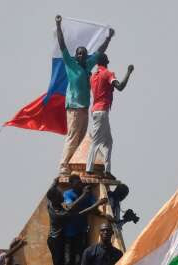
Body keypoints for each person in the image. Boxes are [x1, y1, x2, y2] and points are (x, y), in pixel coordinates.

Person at [55, 14, 115, 175]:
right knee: (73, 136)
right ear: (76, 56)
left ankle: (74, 165)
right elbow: (62, 46)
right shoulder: (71, 65)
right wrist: (59, 26)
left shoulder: (87, 65)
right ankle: (64, 165)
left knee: (81, 138)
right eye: (79, 53)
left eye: (83, 53)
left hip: (84, 107)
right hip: (73, 108)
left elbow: (100, 53)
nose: (81, 55)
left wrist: (108, 38)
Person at [86, 54, 134, 179]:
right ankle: (89, 169)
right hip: (101, 111)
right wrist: (128, 72)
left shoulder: (93, 77)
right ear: (106, 61)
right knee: (96, 141)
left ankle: (107, 170)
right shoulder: (107, 74)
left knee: (108, 141)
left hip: (97, 111)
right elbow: (120, 87)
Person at [47, 177, 108, 265]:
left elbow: (50, 192)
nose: (62, 195)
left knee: (79, 259)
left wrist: (54, 182)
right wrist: (97, 202)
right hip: (57, 239)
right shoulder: (60, 214)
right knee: (62, 261)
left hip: (66, 235)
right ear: (55, 199)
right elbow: (80, 213)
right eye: (59, 195)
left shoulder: (50, 203)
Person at [62, 175, 105, 265]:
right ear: (71, 184)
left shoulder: (87, 194)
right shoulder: (67, 194)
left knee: (80, 259)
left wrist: (100, 207)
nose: (80, 185)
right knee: (68, 261)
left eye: (80, 182)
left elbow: (94, 210)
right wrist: (83, 195)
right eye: (77, 183)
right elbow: (70, 208)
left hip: (82, 231)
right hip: (68, 233)